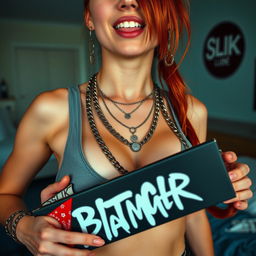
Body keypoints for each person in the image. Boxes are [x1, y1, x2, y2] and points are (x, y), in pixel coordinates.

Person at [0, 0, 253, 255]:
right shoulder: (52, 110)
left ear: (165, 19)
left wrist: (221, 183)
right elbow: (4, 195)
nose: (128, 2)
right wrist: (24, 228)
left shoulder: (192, 111)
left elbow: (192, 213)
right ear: (89, 18)